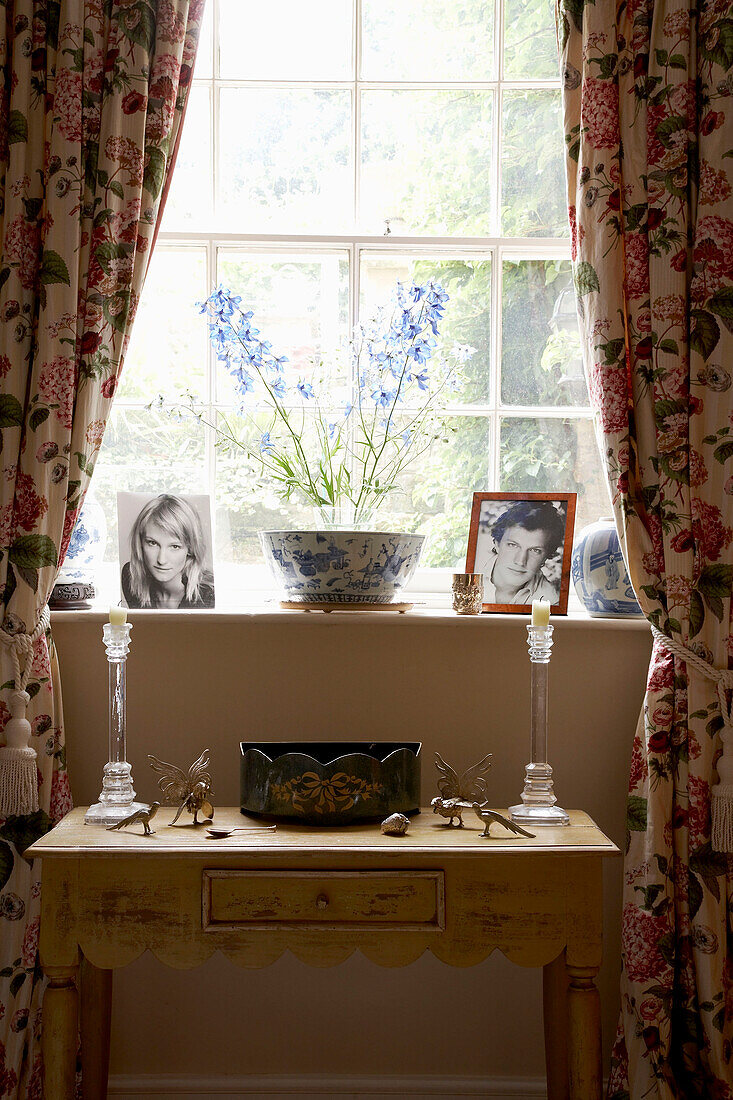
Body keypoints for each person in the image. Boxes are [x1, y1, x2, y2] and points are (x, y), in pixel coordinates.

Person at [121, 494, 215, 609]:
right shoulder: (131, 577)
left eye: (175, 546)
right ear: (140, 543)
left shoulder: (208, 594)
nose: (161, 560)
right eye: (152, 543)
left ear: (190, 548)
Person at [478, 500, 565, 605]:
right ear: (497, 544)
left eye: (535, 550)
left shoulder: (551, 601)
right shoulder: (473, 572)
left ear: (545, 557)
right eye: (513, 545)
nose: (520, 561)